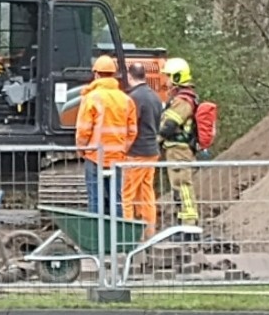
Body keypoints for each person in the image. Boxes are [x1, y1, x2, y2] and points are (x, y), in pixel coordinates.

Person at [75, 55, 137, 217]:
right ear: (113, 75)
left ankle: (96, 237)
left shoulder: (91, 98)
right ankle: (117, 236)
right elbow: (132, 131)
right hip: (117, 157)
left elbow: (83, 130)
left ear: (96, 74)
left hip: (95, 156)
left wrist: (82, 150)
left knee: (95, 198)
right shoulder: (126, 100)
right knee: (117, 199)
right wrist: (123, 148)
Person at [157, 57, 204, 231]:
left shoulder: (183, 101)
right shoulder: (182, 98)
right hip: (176, 151)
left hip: (180, 151)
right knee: (178, 188)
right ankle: (182, 224)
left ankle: (189, 226)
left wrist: (157, 139)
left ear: (177, 77)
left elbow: (170, 125)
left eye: (168, 76)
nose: (166, 80)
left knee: (183, 187)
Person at [122, 62, 162, 237]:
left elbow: (131, 126)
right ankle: (149, 232)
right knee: (147, 193)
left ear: (130, 77)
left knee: (127, 195)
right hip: (152, 151)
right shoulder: (155, 97)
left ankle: (127, 234)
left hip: (136, 152)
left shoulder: (134, 98)